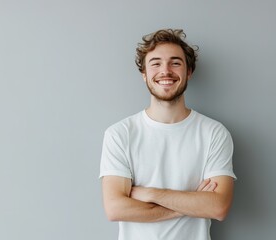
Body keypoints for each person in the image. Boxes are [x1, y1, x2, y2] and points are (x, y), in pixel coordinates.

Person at [99, 29, 236, 240]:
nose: (165, 71)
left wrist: (151, 194)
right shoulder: (120, 134)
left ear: (188, 71)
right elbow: (116, 209)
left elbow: (218, 207)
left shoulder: (214, 133)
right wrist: (191, 204)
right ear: (144, 74)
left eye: (175, 62)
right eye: (155, 63)